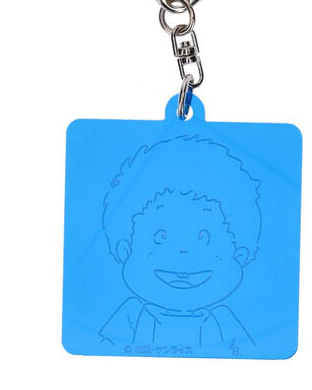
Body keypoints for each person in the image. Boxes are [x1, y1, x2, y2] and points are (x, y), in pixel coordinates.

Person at [100, 135, 261, 349]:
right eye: (161, 237)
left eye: (203, 237)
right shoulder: (131, 316)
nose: (183, 251)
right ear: (125, 249)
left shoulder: (223, 321)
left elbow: (244, 351)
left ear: (239, 256)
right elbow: (105, 347)